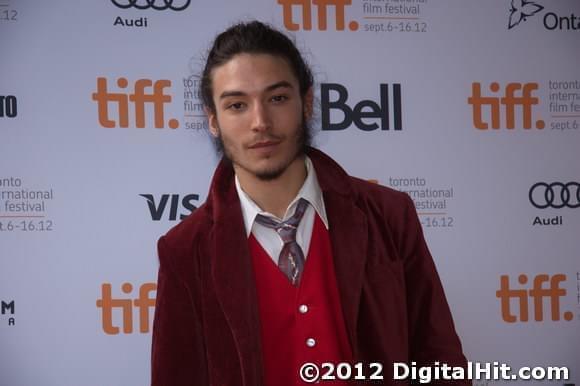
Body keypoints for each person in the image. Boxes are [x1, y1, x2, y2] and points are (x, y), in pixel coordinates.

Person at [151, 20, 468, 386]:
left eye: (277, 98)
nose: (261, 122)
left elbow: (440, 361)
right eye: (237, 105)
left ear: (306, 103)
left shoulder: (389, 216)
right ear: (213, 121)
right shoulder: (183, 251)